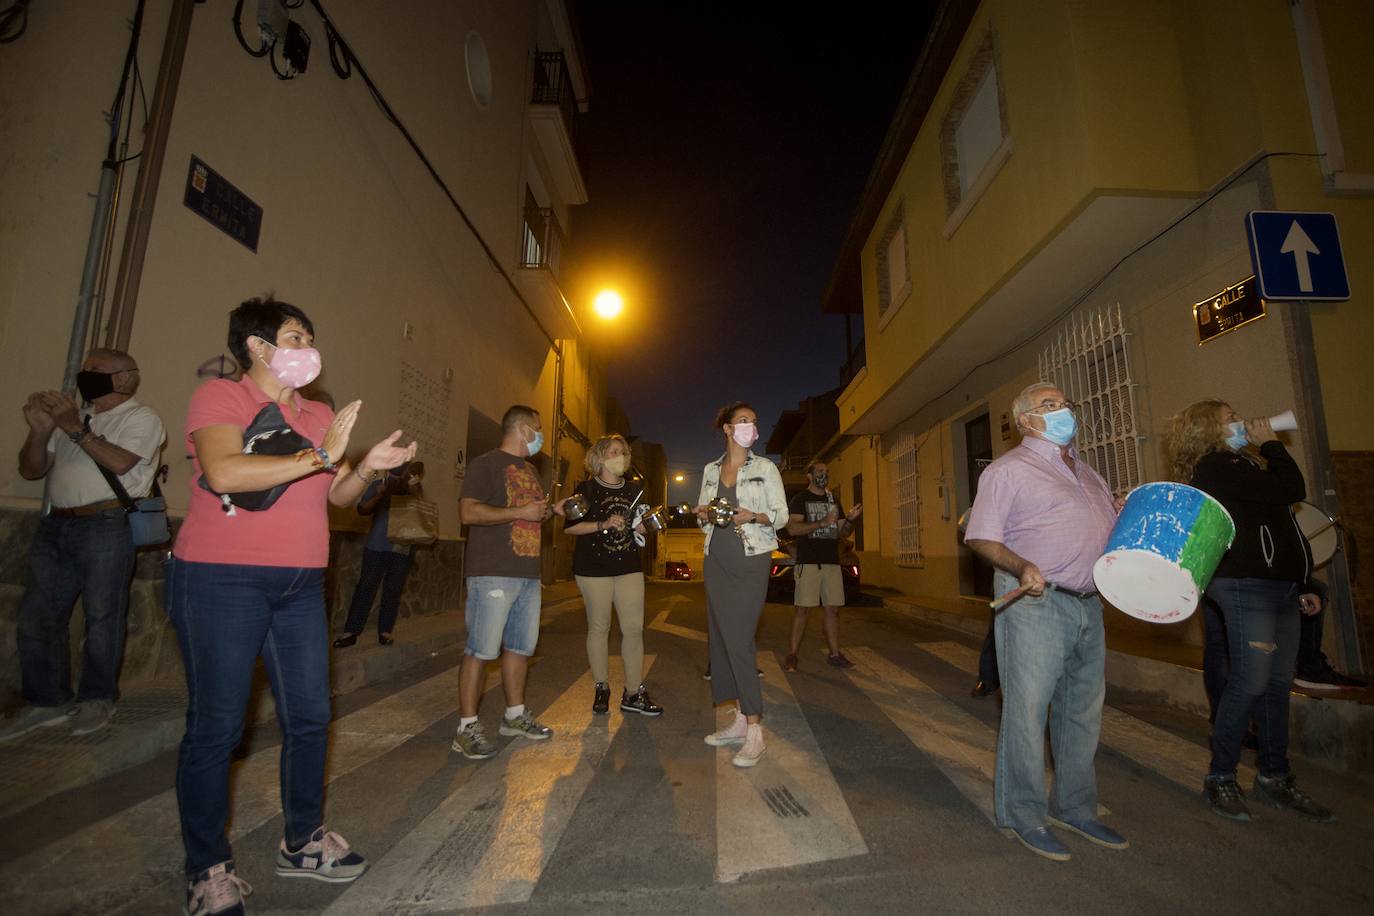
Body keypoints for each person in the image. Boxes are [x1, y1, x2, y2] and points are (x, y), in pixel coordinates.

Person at [167, 296, 416, 915]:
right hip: (222, 579)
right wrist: (324, 454)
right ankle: (207, 868)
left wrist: (369, 471)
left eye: (309, 335)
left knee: (309, 718)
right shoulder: (221, 399)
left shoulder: (318, 413)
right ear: (256, 344)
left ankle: (302, 841)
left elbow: (334, 494)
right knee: (217, 728)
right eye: (295, 334)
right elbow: (225, 472)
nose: (308, 345)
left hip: (300, 584)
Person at [964, 382, 1127, 861]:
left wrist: (1119, 512)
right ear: (1026, 420)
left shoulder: (1088, 472)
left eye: (1065, 404)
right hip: (1034, 602)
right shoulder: (1007, 470)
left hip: (1089, 603)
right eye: (1049, 406)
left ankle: (1077, 808)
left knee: (1081, 713)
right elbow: (981, 537)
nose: (1063, 411)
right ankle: (1024, 814)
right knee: (1028, 713)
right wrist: (1020, 566)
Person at [1165, 399, 1334, 823]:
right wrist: (1272, 445)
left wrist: (1300, 585)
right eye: (1229, 418)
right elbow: (1291, 489)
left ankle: (1275, 778)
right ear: (1207, 430)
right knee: (1250, 681)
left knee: (1277, 684)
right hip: (1244, 587)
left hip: (1276, 589)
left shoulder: (1244, 468)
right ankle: (1221, 776)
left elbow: (1280, 529)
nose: (1241, 422)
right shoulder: (1215, 467)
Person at [0, 349, 165, 742]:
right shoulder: (73, 420)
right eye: (83, 369)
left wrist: (74, 426)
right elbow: (31, 469)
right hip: (56, 524)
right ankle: (47, 700)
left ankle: (97, 698)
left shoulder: (141, 418)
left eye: (95, 370)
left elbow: (121, 463)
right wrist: (40, 431)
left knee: (103, 616)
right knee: (38, 616)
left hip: (106, 525)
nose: (84, 375)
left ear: (123, 378)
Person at [451, 405, 568, 760]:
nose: (541, 435)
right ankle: (466, 727)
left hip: (528, 575)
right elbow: (468, 512)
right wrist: (520, 512)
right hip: (492, 573)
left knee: (520, 648)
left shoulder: (530, 470)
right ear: (522, 429)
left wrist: (552, 510)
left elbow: (529, 515)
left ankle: (514, 716)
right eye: (538, 428)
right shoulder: (484, 464)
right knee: (481, 650)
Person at [695, 402, 788, 768]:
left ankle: (754, 730)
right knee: (720, 639)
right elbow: (705, 513)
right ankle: (736, 720)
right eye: (743, 421)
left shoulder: (766, 468)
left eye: (754, 421)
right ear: (728, 429)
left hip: (751, 559)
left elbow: (779, 516)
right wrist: (703, 513)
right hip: (716, 558)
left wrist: (754, 515)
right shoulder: (709, 469)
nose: (751, 426)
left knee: (739, 640)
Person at [565, 435, 662, 717]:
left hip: (629, 566)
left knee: (633, 628)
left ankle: (633, 692)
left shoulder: (636, 490)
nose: (620, 456)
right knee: (599, 627)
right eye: (614, 451)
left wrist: (644, 528)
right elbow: (570, 528)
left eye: (623, 452)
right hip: (592, 568)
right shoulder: (586, 489)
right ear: (599, 457)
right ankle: (601, 686)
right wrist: (602, 523)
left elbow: (640, 527)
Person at [334, 461, 426, 648]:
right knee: (365, 588)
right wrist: (379, 495)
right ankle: (351, 631)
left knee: (393, 590)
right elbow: (362, 510)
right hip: (377, 545)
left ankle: (385, 631)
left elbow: (421, 513)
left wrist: (414, 486)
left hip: (402, 547)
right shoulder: (378, 485)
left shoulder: (413, 489)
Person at [783, 460, 862, 671]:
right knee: (802, 610)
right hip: (808, 562)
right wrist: (820, 523)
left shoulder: (833, 500)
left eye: (826, 472)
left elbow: (842, 533)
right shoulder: (800, 499)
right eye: (819, 471)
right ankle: (792, 655)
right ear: (809, 476)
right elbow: (792, 529)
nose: (823, 475)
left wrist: (851, 520)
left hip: (831, 563)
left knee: (833, 610)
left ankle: (835, 654)